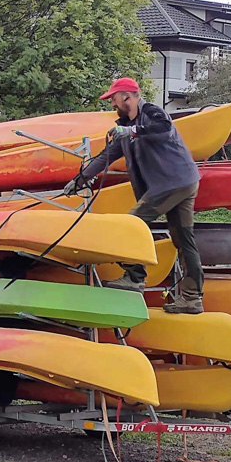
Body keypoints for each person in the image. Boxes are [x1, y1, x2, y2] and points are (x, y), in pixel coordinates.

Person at [63, 77, 204, 314]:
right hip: (182, 181)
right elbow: (105, 157)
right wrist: (79, 180)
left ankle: (135, 277)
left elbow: (164, 128)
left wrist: (132, 130)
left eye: (113, 99)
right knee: (184, 240)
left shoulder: (151, 113)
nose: (112, 105)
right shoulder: (125, 129)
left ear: (127, 97)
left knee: (130, 225)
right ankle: (192, 299)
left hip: (172, 182)